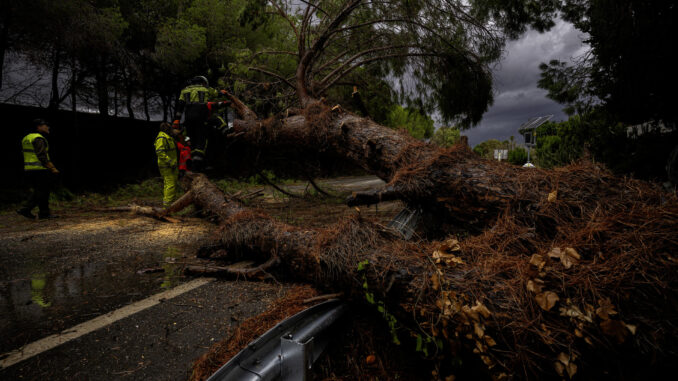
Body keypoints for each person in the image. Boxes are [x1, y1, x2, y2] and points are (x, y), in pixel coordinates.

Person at [173, 76, 230, 171]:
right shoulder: (206, 89)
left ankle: (193, 165)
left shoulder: (184, 91)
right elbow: (217, 94)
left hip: (188, 117)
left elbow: (180, 107)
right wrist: (223, 92)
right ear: (203, 82)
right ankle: (227, 132)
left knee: (193, 140)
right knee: (201, 140)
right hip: (201, 115)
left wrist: (177, 120)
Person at [17, 119, 59, 220]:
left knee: (39, 191)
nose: (47, 127)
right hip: (40, 169)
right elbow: (41, 155)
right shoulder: (38, 138)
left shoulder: (26, 138)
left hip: (29, 169)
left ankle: (35, 211)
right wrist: (51, 167)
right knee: (43, 192)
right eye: (45, 125)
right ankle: (35, 211)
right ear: (38, 127)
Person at [155, 122, 180, 208]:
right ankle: (167, 207)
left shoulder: (168, 137)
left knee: (170, 184)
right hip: (166, 165)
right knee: (170, 184)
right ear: (166, 129)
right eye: (170, 128)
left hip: (171, 165)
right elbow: (160, 152)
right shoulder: (162, 138)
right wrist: (170, 161)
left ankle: (170, 204)